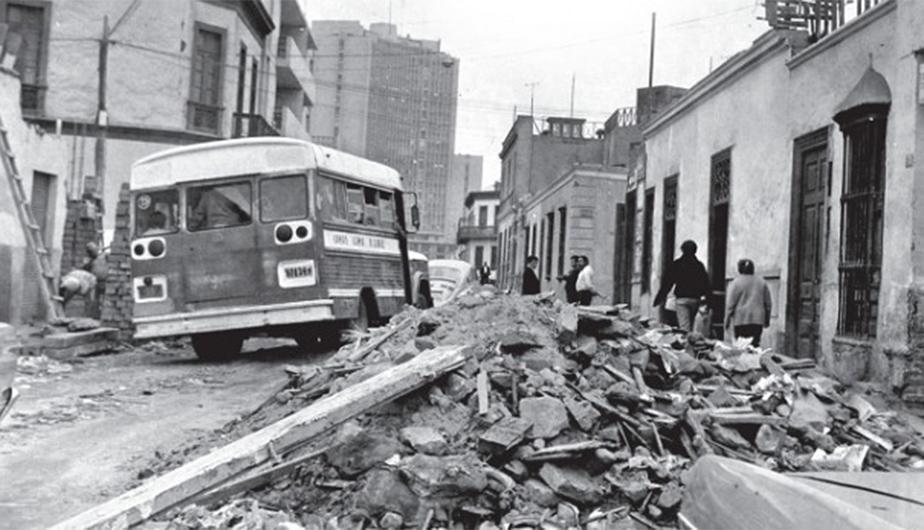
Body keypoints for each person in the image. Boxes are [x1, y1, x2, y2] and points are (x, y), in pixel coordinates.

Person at [654, 240, 711, 332]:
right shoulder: (699, 265)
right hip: (695, 299)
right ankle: (690, 343)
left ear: (682, 250)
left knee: (684, 327)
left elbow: (668, 283)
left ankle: (686, 343)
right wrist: (709, 300)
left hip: (682, 299)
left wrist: (659, 297)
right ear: (695, 251)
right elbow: (706, 284)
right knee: (691, 325)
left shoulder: (677, 264)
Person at [725, 258, 772, 347]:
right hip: (757, 320)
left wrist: (726, 321)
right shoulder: (762, 282)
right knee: (755, 345)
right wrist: (767, 320)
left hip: (741, 320)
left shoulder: (736, 283)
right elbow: (768, 304)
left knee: (742, 345)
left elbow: (730, 305)